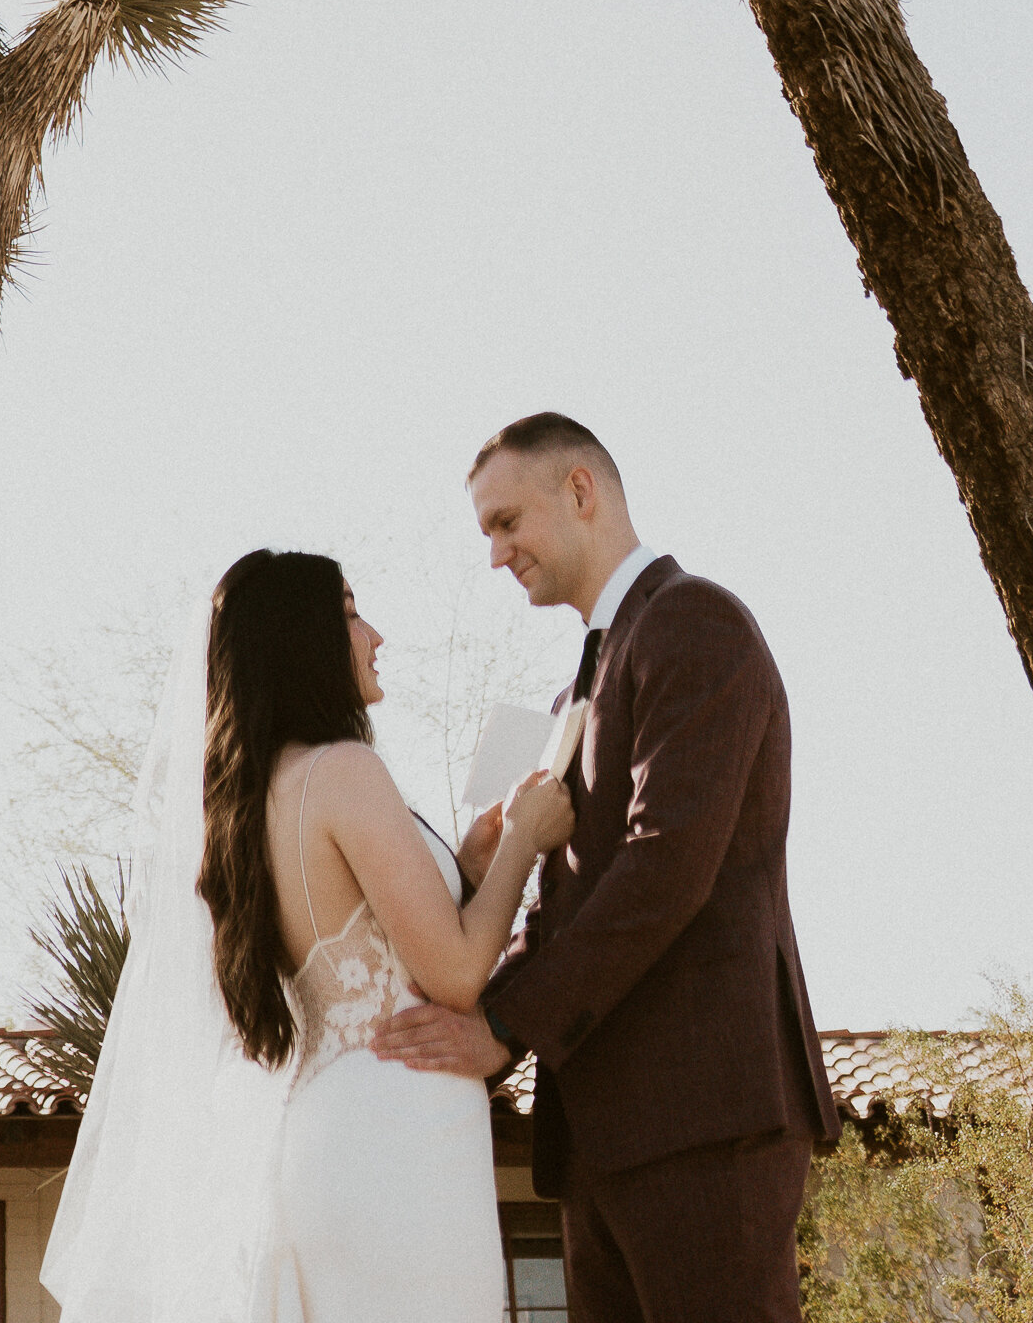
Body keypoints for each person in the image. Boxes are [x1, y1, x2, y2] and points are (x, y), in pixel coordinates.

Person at [373, 415, 839, 1323]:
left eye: (507, 522)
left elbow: (666, 867)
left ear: (580, 491)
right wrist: (463, 1020)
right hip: (599, 1134)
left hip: (703, 1119)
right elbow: (564, 909)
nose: (496, 554)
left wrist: (504, 1024)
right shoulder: (576, 687)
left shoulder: (696, 623)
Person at [41, 550, 571, 1323]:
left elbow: (363, 934)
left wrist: (468, 865)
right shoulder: (345, 769)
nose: (375, 635)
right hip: (402, 1130)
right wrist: (526, 839)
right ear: (303, 640)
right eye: (351, 614)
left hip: (326, 1125)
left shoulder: (254, 801)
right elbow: (456, 975)